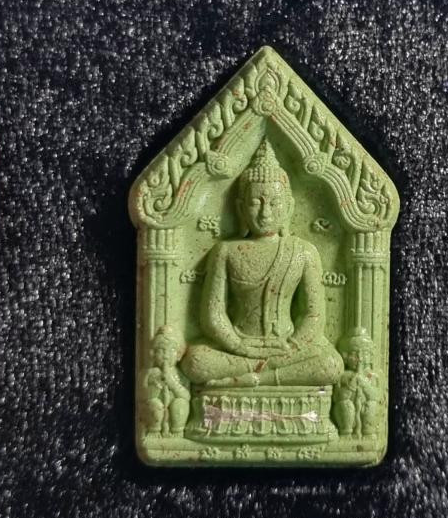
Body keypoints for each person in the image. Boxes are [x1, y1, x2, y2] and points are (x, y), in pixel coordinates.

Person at [181, 138, 343, 387]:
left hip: (286, 347)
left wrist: (292, 345)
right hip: (240, 346)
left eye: (275, 203)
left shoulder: (303, 252)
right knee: (195, 360)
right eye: (256, 202)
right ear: (240, 208)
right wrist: (239, 346)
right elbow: (213, 315)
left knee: (331, 364)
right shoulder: (226, 251)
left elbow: (313, 315)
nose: (265, 213)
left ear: (289, 207)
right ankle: (260, 373)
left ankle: (256, 378)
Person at [332, 327, 382, 436]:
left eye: (364, 353)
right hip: (349, 415)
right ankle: (346, 432)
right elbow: (338, 397)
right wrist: (350, 387)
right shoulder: (343, 376)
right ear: (345, 356)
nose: (360, 358)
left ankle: (368, 431)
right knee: (345, 405)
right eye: (354, 354)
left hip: (363, 413)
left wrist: (364, 384)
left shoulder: (371, 376)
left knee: (372, 406)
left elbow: (375, 396)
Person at [142, 326, 190, 435]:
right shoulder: (150, 373)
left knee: (181, 403)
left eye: (172, 350)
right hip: (157, 409)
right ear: (153, 354)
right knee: (154, 404)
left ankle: (177, 430)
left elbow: (186, 396)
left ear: (178, 355)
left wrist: (172, 384)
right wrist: (155, 386)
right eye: (161, 350)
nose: (166, 355)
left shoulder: (180, 374)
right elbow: (142, 395)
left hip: (172, 409)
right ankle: (154, 430)